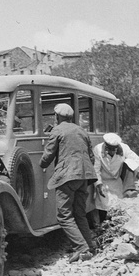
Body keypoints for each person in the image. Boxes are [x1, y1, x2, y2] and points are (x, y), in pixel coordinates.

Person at [40, 103, 97, 263]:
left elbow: (48, 155)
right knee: (79, 213)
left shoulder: (57, 130)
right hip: (84, 176)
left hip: (67, 176)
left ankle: (82, 248)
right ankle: (90, 245)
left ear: (57, 117)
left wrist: (41, 164)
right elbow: (91, 157)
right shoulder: (81, 130)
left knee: (64, 215)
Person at [92, 133, 139, 219]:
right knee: (104, 204)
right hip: (104, 180)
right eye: (110, 149)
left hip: (117, 179)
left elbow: (137, 160)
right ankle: (103, 224)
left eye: (114, 149)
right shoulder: (97, 149)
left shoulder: (124, 148)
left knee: (130, 162)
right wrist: (98, 184)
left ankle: (129, 189)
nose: (112, 151)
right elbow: (95, 169)